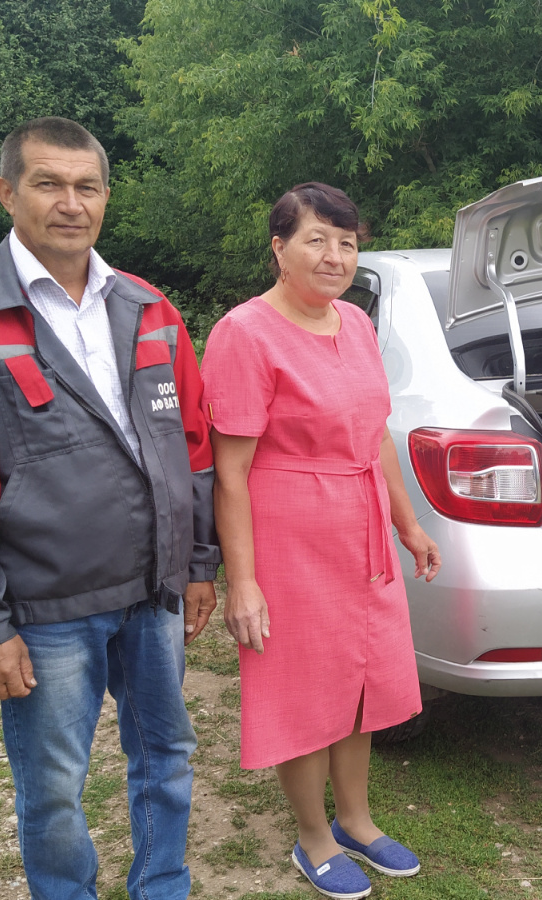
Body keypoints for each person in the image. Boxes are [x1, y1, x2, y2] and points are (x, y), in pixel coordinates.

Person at [0, 116, 220, 900]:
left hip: (154, 596)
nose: (70, 203)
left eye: (87, 186)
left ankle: (162, 886)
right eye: (48, 183)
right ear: (7, 193)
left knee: (167, 758)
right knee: (52, 787)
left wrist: (199, 564)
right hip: (46, 612)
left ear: (106, 197)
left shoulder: (150, 309)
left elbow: (192, 449)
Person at [200, 182, 439, 900]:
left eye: (347, 243)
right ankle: (313, 837)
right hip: (289, 535)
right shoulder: (244, 333)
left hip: (362, 528)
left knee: (362, 677)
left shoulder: (355, 323)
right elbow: (230, 473)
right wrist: (243, 581)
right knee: (303, 687)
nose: (335, 256)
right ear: (280, 248)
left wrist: (408, 523)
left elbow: (376, 436)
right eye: (317, 240)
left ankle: (356, 821)